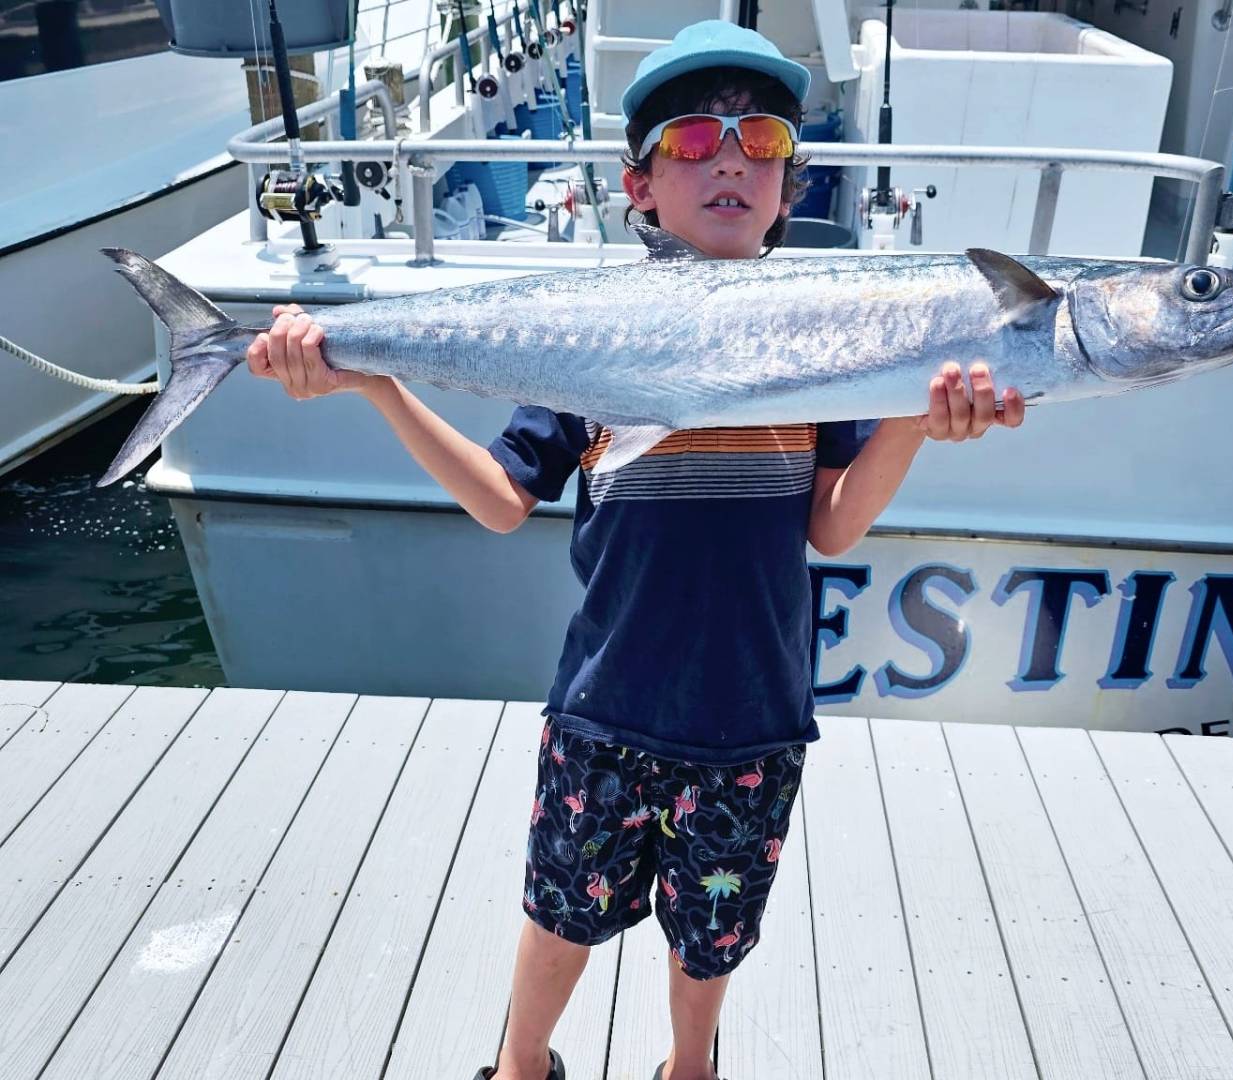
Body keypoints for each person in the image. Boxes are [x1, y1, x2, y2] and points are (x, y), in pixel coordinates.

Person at [245, 20, 1026, 1080]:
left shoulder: (827, 335)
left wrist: (914, 418)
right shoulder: (589, 332)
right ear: (640, 187)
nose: (734, 159)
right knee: (560, 917)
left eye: (762, 141)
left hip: (753, 715)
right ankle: (522, 1065)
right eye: (695, 141)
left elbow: (834, 523)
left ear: (790, 189)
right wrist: (373, 377)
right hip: (605, 707)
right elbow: (501, 501)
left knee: (710, 940)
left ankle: (689, 1068)